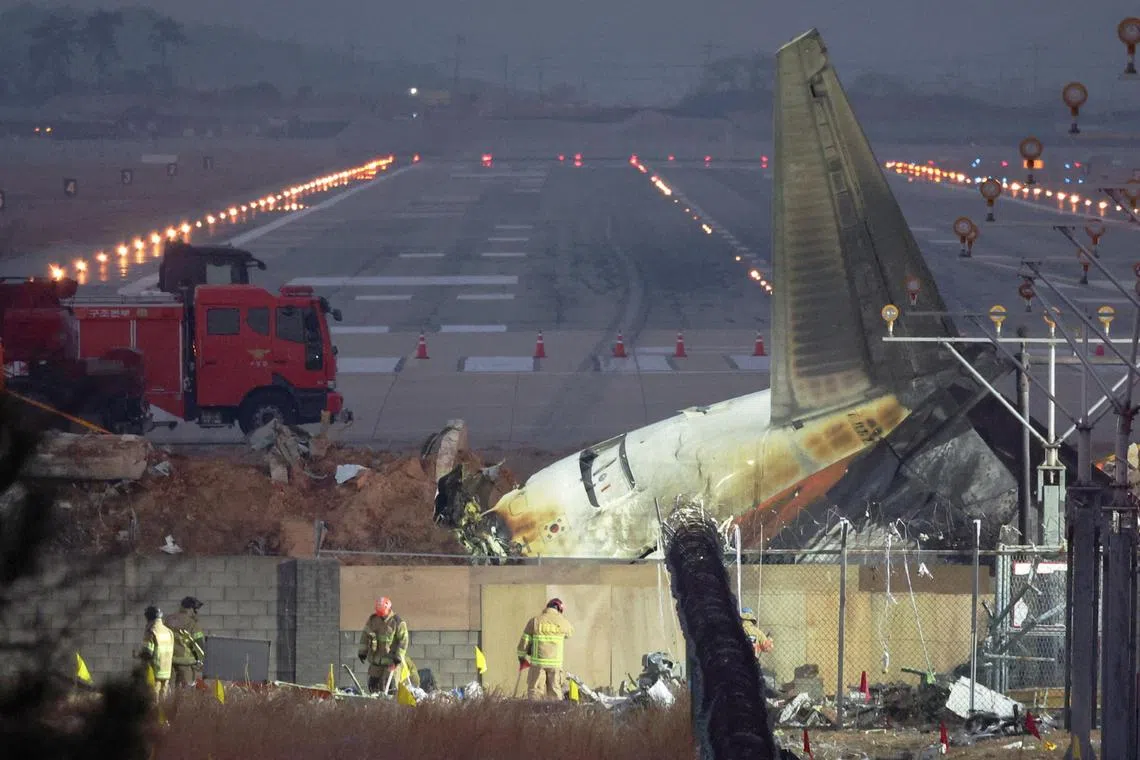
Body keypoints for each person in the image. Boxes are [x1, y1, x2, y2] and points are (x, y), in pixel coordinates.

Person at [357, 597, 420, 693]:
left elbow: (403, 641)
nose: (381, 615)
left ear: (388, 609)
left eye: (382, 612)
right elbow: (365, 635)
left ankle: (389, 706)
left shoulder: (397, 622)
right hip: (376, 661)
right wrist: (362, 652)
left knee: (389, 688)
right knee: (373, 686)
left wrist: (398, 658)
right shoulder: (373, 620)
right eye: (379, 612)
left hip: (391, 662)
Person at [517, 598, 574, 700]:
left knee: (535, 694)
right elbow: (570, 633)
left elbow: (524, 642)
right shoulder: (563, 622)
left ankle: (534, 715)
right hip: (555, 666)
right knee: (555, 694)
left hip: (538, 665)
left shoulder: (535, 621)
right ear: (559, 609)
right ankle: (556, 715)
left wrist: (521, 657)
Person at [166, 596, 207, 687]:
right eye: (195, 609)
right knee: (186, 690)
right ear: (191, 609)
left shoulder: (169, 620)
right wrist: (201, 661)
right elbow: (199, 644)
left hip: (169, 662)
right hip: (185, 663)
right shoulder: (191, 623)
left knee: (170, 690)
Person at [139, 605, 174, 702]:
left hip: (154, 673)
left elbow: (147, 653)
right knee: (164, 701)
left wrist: (139, 657)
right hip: (167, 673)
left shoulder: (151, 631)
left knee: (154, 701)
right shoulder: (169, 632)